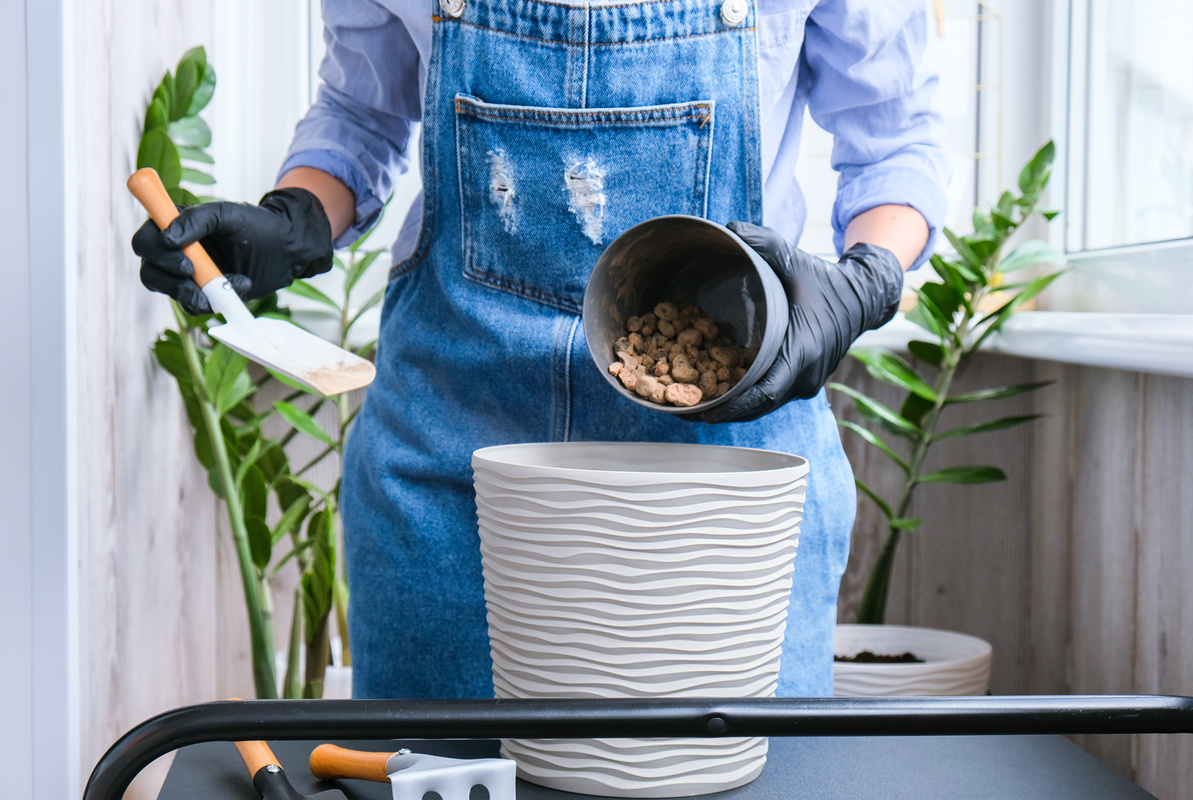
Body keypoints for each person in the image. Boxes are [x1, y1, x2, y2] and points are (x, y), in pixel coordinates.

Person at [134, 0, 948, 699]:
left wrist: (864, 278)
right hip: (449, 478)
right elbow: (362, 109)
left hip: (723, 493)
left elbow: (896, 141)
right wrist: (298, 217)